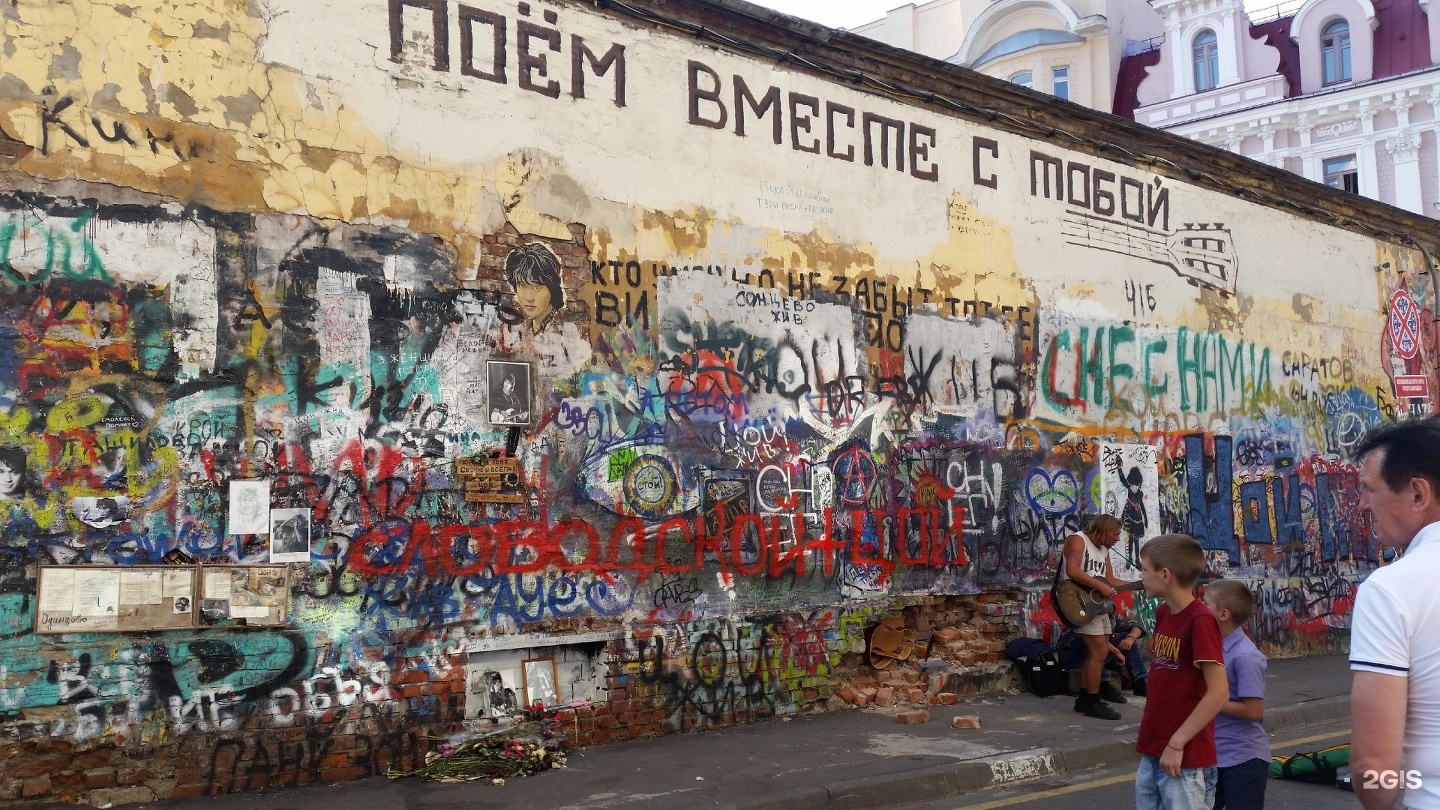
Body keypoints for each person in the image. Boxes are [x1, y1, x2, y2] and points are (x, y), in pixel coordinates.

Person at [1349, 417, 1440, 810]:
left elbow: (1375, 765)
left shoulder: (1390, 589)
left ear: (1418, 493)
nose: (1362, 503)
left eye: (1370, 489)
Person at [1134, 533, 1228, 810]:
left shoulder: (1200, 621)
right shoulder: (1164, 613)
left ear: (1165, 575)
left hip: (1184, 758)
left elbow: (1219, 692)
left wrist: (1177, 743)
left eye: (1144, 568)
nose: (1140, 575)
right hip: (1154, 750)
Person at [1203, 579, 1268, 810]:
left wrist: (1210, 700)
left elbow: (1253, 711)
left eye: (1205, 603)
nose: (1200, 608)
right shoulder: (1211, 645)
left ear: (1223, 615)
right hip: (1213, 756)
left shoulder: (1246, 656)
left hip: (1243, 759)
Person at [1060, 514, 1133, 719]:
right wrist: (1100, 586)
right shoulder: (1078, 540)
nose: (1118, 538)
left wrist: (1139, 585)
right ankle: (1092, 701)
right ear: (1104, 529)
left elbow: (1109, 580)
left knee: (1098, 653)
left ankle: (1084, 699)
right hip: (1080, 602)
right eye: (1115, 533)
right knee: (1098, 652)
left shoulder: (1104, 550)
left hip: (1098, 606)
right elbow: (1072, 570)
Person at [504, 243, 564, 334]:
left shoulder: (564, 331)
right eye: (522, 286)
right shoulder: (527, 327)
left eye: (536, 287)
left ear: (552, 288)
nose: (529, 298)